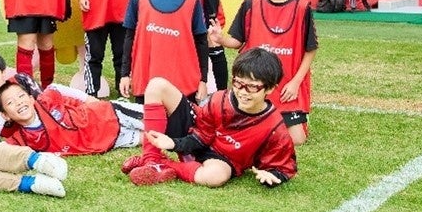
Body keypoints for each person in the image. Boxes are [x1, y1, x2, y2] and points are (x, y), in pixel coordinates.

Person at [123, 48, 297, 188]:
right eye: (238, 83)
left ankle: (165, 165)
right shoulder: (220, 99)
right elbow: (201, 135)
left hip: (221, 160)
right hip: (195, 136)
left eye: (252, 87)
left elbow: (283, 165)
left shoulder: (274, 126)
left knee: (216, 176)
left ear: (270, 89)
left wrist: (273, 176)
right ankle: (151, 161)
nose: (242, 92)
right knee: (157, 85)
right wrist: (176, 144)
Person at [209, 0, 317, 146]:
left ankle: (267, 126)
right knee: (239, 131)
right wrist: (220, 39)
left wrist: (295, 83)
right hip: (254, 88)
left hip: (285, 88)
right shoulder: (251, 5)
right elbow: (237, 41)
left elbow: (311, 49)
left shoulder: (302, 8)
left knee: (297, 139)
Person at [119, 0, 209, 104]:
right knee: (148, 121)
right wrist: (125, 74)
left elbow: (201, 41)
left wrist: (203, 80)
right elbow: (129, 38)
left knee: (182, 122)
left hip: (183, 84)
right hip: (146, 81)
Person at [0, 80, 144, 156]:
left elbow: (55, 87)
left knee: (156, 120)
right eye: (10, 102)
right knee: (152, 137)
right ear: (5, 114)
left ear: (32, 99)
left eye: (21, 96)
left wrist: (89, 99)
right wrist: (0, 118)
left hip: (110, 114)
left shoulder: (45, 101)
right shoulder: (21, 139)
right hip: (109, 142)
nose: (19, 102)